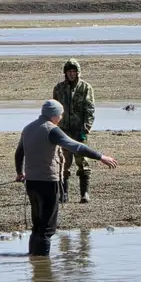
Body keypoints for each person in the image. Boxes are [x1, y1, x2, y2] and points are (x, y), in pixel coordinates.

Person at [15, 100, 118, 257]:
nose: (61, 117)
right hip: (48, 183)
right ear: (54, 115)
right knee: (47, 229)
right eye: (60, 114)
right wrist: (100, 156)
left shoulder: (28, 128)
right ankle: (43, 269)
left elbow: (19, 153)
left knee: (37, 226)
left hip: (31, 183)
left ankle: (35, 264)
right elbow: (76, 146)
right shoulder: (52, 130)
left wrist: (19, 173)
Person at [52, 58, 96, 203]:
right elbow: (55, 110)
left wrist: (86, 129)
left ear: (78, 73)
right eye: (69, 71)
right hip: (63, 131)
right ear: (65, 73)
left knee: (82, 162)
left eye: (74, 71)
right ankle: (63, 194)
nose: (72, 74)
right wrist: (54, 128)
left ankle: (85, 194)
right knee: (63, 163)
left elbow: (90, 110)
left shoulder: (85, 88)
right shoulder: (58, 88)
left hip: (79, 131)